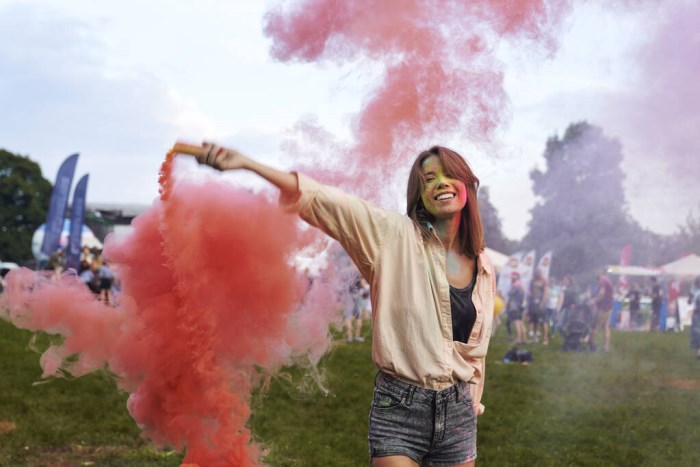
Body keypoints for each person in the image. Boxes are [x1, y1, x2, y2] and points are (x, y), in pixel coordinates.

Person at [194, 143, 495, 467]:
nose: (440, 183)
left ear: (467, 183)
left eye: (449, 174)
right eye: (429, 179)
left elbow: (475, 354)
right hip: (400, 409)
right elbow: (327, 200)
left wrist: (472, 402)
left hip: (459, 418)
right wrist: (248, 163)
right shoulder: (393, 236)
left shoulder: (484, 265)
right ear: (419, 196)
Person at [591, 270, 613, 352]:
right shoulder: (607, 280)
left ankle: (591, 344)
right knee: (606, 327)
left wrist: (594, 301)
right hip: (608, 306)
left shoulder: (603, 280)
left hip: (602, 307)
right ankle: (606, 347)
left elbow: (601, 293)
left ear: (600, 272)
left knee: (595, 326)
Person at [528, 269, 549, 344]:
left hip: (541, 304)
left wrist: (542, 304)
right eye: (536, 273)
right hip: (533, 303)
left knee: (543, 322)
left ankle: (545, 339)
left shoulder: (544, 282)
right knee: (534, 321)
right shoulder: (533, 281)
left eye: (539, 273)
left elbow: (546, 294)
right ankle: (534, 338)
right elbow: (530, 291)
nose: (537, 274)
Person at [505, 272, 526, 345]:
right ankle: (523, 339)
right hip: (520, 306)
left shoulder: (515, 285)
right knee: (521, 322)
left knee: (517, 322)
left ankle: (519, 339)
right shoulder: (521, 285)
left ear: (514, 278)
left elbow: (510, 293)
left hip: (515, 306)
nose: (511, 279)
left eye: (512, 277)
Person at [345, 276, 367, 342]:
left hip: (348, 296)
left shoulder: (347, 273)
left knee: (348, 317)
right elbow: (363, 285)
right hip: (357, 296)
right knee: (358, 317)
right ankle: (357, 336)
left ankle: (349, 337)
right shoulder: (359, 273)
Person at [689, 277, 700, 360]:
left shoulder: (695, 291)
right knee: (697, 334)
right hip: (697, 314)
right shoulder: (694, 291)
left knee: (697, 333)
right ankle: (698, 353)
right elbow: (689, 301)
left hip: (697, 314)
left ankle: (698, 353)